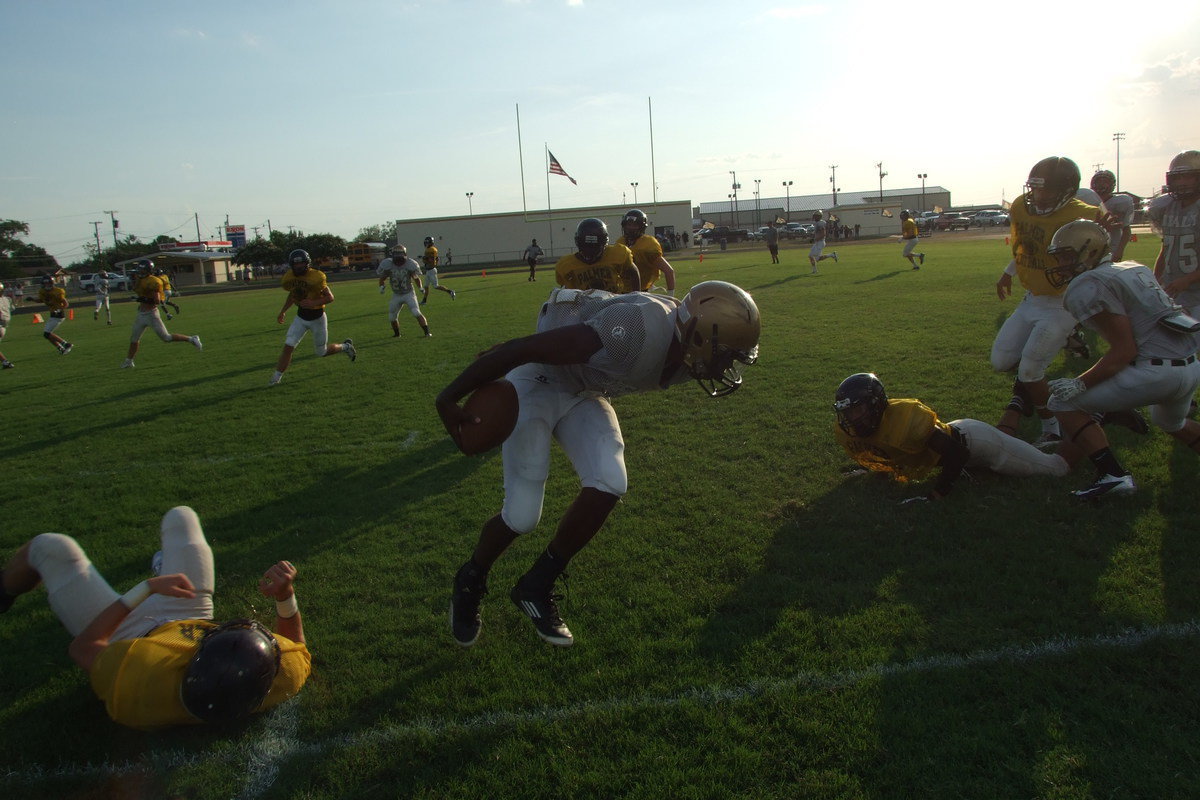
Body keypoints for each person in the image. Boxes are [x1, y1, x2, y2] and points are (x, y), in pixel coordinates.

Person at [438, 281, 761, 647]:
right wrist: (449, 397)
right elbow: (527, 348)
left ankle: (536, 584)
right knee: (523, 514)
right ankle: (470, 579)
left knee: (609, 481)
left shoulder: (687, 345)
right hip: (540, 378)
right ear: (700, 337)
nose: (727, 366)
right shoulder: (636, 330)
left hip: (585, 391)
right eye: (725, 355)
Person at [0, 506, 310, 729]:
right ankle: (166, 571)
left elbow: (83, 647)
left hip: (128, 633)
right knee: (182, 516)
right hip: (189, 612)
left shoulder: (138, 680)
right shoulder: (276, 678)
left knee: (50, 547)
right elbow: (296, 645)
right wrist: (285, 595)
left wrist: (145, 589)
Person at [1042, 218, 1200, 497]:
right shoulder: (1132, 267)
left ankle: (1112, 475)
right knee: (1169, 422)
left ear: (1089, 252)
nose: (1061, 264)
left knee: (1061, 402)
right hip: (1189, 368)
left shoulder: (1087, 284)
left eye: (1067, 256)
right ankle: (1114, 414)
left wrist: (1080, 383)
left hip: (1156, 373)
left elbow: (1124, 351)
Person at [991, 156, 1103, 446]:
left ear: (1067, 190)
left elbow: (1103, 252)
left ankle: (1051, 425)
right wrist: (1008, 273)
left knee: (1030, 369)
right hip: (1032, 298)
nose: (1039, 197)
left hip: (1063, 301)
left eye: (1047, 191)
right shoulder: (1020, 206)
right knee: (1001, 360)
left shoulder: (1086, 214)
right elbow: (1025, 247)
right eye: (1035, 189)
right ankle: (1037, 393)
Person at [833, 372, 1080, 503]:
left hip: (976, 444)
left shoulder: (906, 420)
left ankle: (1091, 420)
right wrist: (873, 470)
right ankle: (1019, 398)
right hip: (959, 435)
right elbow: (894, 449)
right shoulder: (869, 425)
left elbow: (958, 453)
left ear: (875, 404)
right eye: (847, 412)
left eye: (857, 409)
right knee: (1004, 439)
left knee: (1055, 468)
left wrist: (938, 494)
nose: (852, 418)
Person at [269, 249, 356, 385]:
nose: (298, 266)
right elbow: (293, 294)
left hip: (317, 319)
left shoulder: (316, 277)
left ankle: (346, 346)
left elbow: (330, 297)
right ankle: (276, 379)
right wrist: (283, 310)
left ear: (307, 263)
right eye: (295, 264)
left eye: (301, 263)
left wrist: (313, 303)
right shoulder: (289, 278)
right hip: (301, 318)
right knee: (288, 346)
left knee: (322, 352)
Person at [121, 259, 202, 369]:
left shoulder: (153, 281)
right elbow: (138, 289)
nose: (139, 272)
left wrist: (140, 298)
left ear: (147, 270)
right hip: (141, 314)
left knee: (166, 338)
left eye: (141, 270)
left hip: (151, 314)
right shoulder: (141, 280)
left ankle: (192, 339)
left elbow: (156, 301)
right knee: (134, 339)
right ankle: (129, 361)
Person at [1149, 150, 1200, 319]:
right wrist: (1155, 279)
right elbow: (1166, 249)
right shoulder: (1167, 206)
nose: (1182, 183)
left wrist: (1188, 279)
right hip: (1174, 290)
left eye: (1187, 177)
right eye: (1177, 178)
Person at [554, 218, 640, 293]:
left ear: (604, 243)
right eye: (586, 247)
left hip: (614, 302)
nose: (590, 251)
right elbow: (565, 290)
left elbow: (634, 271)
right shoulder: (566, 265)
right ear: (578, 243)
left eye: (594, 247)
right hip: (585, 305)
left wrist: (637, 295)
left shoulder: (617, 253)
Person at [376, 244, 432, 338]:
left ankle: (427, 332)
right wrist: (381, 286)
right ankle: (397, 334)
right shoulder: (388, 264)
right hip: (396, 294)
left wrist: (420, 287)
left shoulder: (410, 264)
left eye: (399, 255)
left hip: (408, 293)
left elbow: (415, 277)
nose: (398, 257)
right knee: (392, 316)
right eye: (396, 255)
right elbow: (383, 278)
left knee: (416, 312)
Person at [619, 209, 677, 295]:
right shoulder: (620, 243)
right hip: (621, 293)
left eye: (634, 225)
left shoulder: (648, 244)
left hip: (642, 293)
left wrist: (671, 296)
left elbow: (669, 271)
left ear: (642, 227)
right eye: (628, 224)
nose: (630, 228)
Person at [1089, 169, 1137, 261]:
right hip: (1091, 247)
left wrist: (1120, 250)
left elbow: (1126, 229)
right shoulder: (1088, 201)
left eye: (1105, 182)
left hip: (1113, 246)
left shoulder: (1122, 202)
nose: (1101, 185)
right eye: (1098, 181)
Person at [36, 274, 74, 355]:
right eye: (45, 283)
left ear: (52, 283)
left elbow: (66, 303)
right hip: (52, 314)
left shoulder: (58, 291)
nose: (46, 285)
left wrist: (60, 309)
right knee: (47, 335)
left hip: (59, 315)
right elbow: (41, 300)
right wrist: (33, 300)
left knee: (47, 333)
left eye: (48, 283)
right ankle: (61, 349)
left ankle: (66, 344)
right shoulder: (43, 291)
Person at [420, 236, 456, 304]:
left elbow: (431, 261)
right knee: (426, 286)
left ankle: (450, 291)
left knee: (436, 286)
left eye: (427, 242)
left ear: (430, 243)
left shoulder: (431, 250)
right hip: (429, 270)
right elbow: (436, 259)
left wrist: (424, 259)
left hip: (431, 270)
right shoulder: (431, 249)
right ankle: (424, 301)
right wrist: (425, 258)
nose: (425, 244)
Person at [0, 281, 14, 368]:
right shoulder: (7, 299)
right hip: (4, 326)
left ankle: (5, 362)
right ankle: (5, 362)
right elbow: (11, 309)